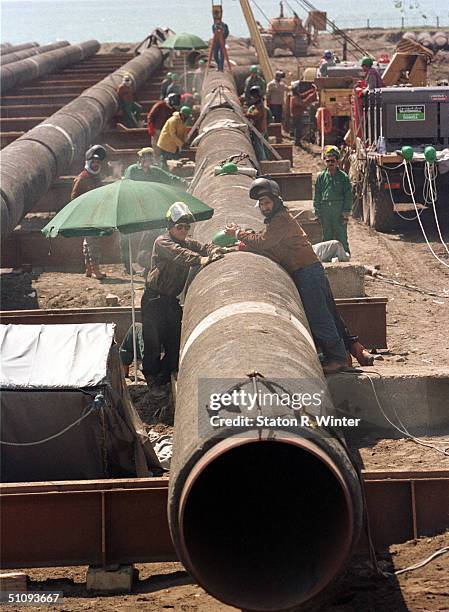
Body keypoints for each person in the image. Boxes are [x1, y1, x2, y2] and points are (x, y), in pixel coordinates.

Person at [225, 178, 349, 373]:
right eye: (262, 204)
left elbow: (264, 242)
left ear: (276, 202)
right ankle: (335, 354)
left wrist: (238, 233)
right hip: (306, 270)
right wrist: (243, 244)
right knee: (321, 313)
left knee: (319, 316)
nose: (265, 207)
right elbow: (270, 246)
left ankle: (338, 359)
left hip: (307, 271)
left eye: (268, 203)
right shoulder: (275, 221)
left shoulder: (281, 219)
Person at [141, 202, 224, 386]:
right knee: (153, 341)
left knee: (174, 341)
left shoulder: (188, 243)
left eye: (187, 227)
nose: (184, 231)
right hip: (154, 299)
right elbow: (180, 254)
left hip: (170, 300)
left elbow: (205, 247)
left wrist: (214, 250)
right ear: (171, 227)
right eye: (180, 227)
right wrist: (201, 259)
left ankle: (165, 375)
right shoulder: (162, 242)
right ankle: (151, 379)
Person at [121, 147, 188, 273]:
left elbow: (170, 178)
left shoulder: (155, 171)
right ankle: (127, 266)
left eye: (150, 158)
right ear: (140, 159)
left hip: (150, 208)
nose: (148, 160)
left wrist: (185, 183)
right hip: (134, 206)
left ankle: (148, 264)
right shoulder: (132, 170)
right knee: (126, 236)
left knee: (152, 235)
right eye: (145, 158)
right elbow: (127, 186)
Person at [71, 146, 107, 280]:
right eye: (93, 162)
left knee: (87, 242)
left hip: (95, 213)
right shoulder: (83, 177)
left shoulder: (95, 176)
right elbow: (74, 198)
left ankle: (88, 269)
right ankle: (96, 270)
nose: (96, 164)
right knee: (94, 242)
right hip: (88, 215)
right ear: (88, 162)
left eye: (98, 162)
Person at [313, 146, 352, 254]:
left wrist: (345, 213)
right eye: (328, 160)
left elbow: (348, 196)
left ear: (337, 161)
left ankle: (345, 257)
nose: (330, 163)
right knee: (327, 236)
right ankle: (328, 257)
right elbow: (317, 196)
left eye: (333, 161)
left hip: (338, 211)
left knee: (341, 236)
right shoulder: (321, 177)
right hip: (326, 211)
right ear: (325, 161)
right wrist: (317, 213)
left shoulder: (343, 177)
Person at [157, 105, 192, 170]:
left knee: (175, 160)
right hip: (166, 144)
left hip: (174, 144)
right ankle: (162, 175)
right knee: (166, 161)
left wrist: (186, 142)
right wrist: (181, 144)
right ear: (183, 115)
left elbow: (184, 133)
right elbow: (172, 134)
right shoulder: (173, 120)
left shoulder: (182, 121)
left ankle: (173, 174)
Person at [246, 86, 273, 162]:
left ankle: (263, 161)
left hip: (259, 129)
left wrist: (247, 115)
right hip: (260, 128)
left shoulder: (260, 106)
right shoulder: (256, 105)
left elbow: (256, 115)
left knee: (259, 147)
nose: (252, 98)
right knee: (261, 146)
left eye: (253, 97)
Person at [289, 81, 317, 146]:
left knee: (298, 128)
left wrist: (311, 91)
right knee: (298, 129)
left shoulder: (296, 96)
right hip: (296, 116)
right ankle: (297, 142)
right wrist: (311, 95)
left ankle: (297, 141)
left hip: (297, 115)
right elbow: (303, 103)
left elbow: (303, 95)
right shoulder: (294, 98)